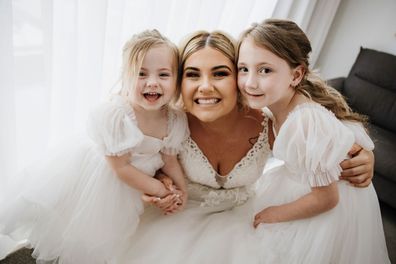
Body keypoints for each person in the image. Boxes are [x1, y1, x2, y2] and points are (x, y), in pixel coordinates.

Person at [114, 29, 376, 264]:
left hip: (242, 221)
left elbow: (325, 134)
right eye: (193, 75)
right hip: (176, 220)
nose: (206, 87)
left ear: (237, 79)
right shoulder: (168, 121)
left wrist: (364, 155)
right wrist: (159, 183)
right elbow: (140, 159)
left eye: (220, 73)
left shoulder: (268, 123)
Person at [0, 29, 188, 263]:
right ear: (125, 76)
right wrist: (160, 190)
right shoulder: (116, 115)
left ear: (176, 78)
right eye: (141, 74)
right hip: (104, 182)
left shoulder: (174, 119)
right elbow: (121, 169)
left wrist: (180, 192)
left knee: (134, 239)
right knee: (94, 234)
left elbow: (170, 160)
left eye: (163, 74)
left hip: (141, 182)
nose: (152, 82)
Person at [237, 19, 390, 263]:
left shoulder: (305, 120)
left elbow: (326, 198)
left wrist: (273, 213)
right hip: (306, 185)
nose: (250, 82)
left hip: (328, 202)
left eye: (265, 70)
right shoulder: (273, 105)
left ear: (296, 75)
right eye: (243, 68)